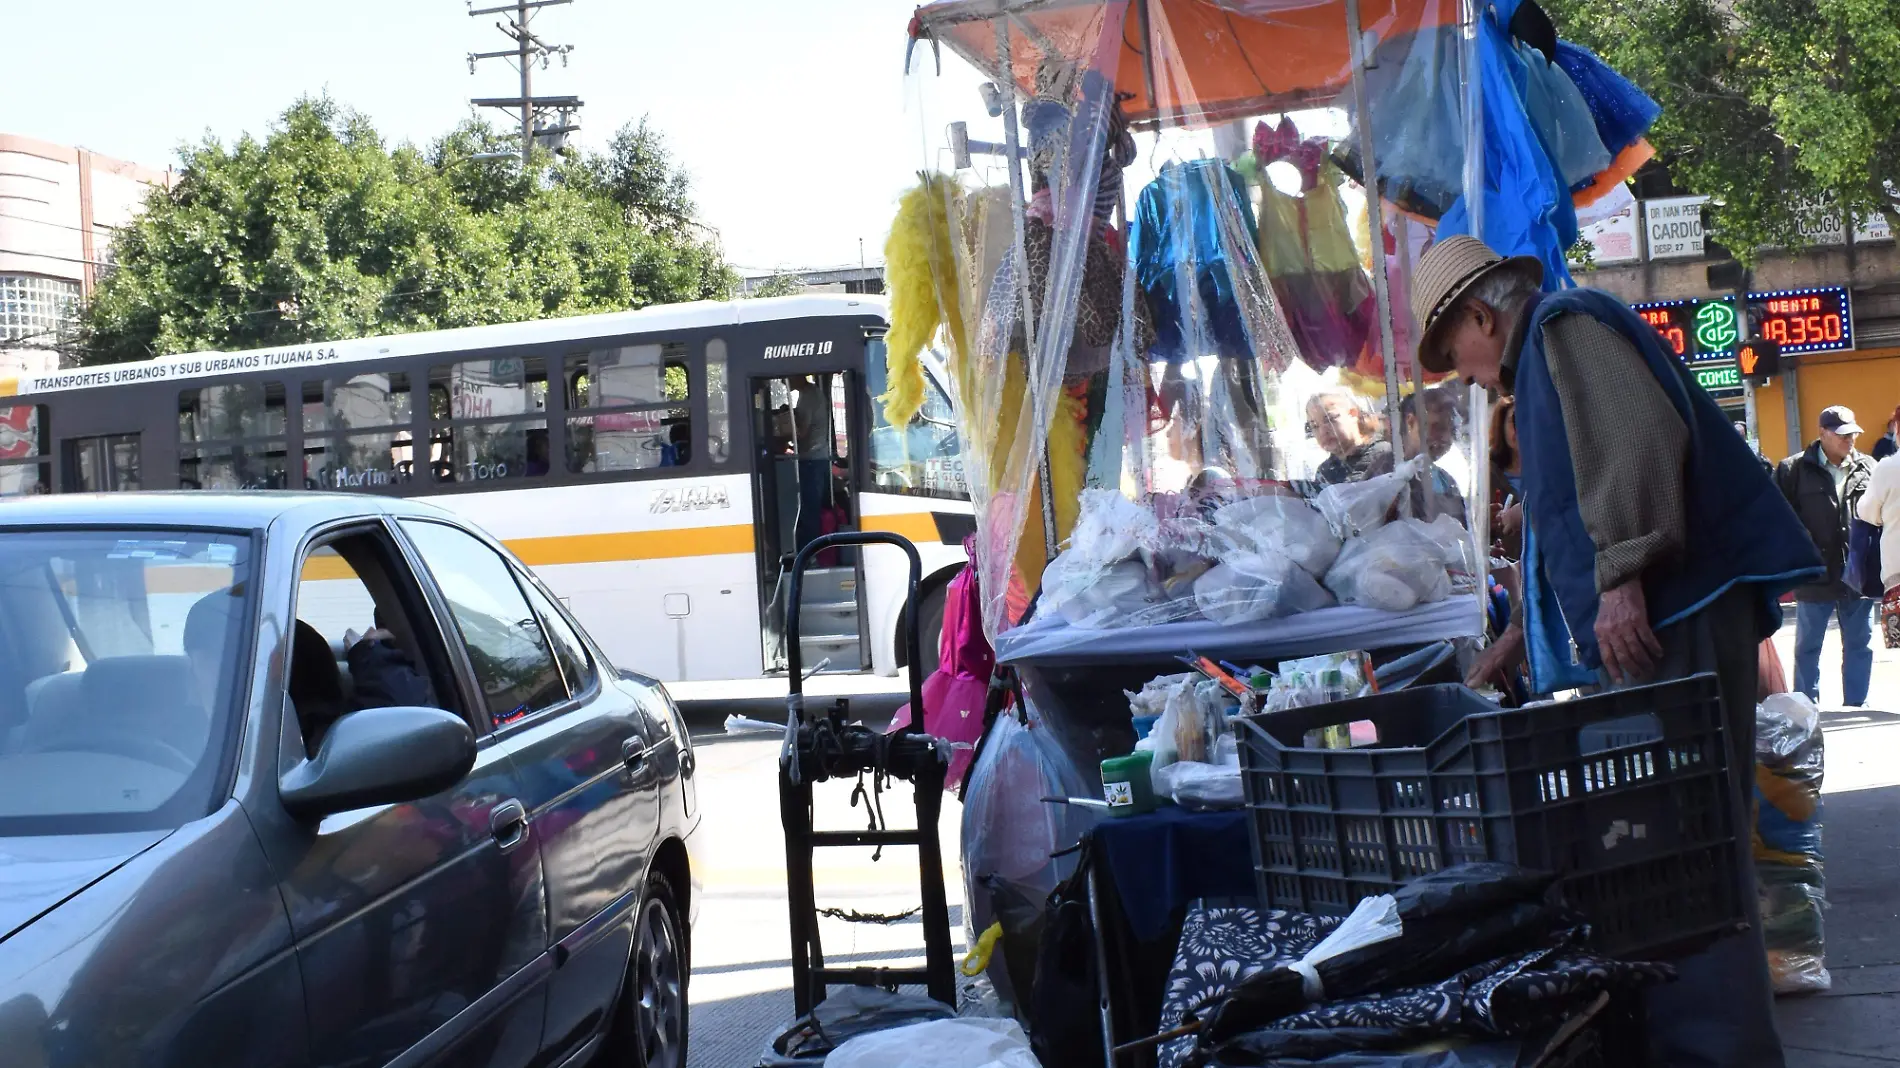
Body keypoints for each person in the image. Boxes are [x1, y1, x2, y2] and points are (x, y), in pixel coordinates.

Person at [1416, 234, 1821, 1068]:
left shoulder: (1566, 323)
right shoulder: (1542, 353)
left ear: (1481, 316)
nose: (1461, 374)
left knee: (1687, 841)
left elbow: (1638, 443)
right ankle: (1705, 1041)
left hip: (1683, 611)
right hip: (1675, 613)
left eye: (1453, 349)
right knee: (1677, 837)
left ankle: (1722, 1049)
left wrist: (1626, 573)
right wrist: (1521, 632)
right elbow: (1584, 491)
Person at [1774, 406, 1877, 708]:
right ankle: (1806, 706)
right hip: (1814, 571)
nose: (1850, 440)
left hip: (1858, 572)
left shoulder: (1868, 467)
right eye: (1842, 435)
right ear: (1822, 433)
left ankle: (1856, 704)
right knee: (1808, 646)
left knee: (1860, 644)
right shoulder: (1793, 470)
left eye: (1853, 434)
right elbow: (1779, 517)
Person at [1306, 389, 1393, 485]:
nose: (1322, 432)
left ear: (1352, 414)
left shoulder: (1381, 454)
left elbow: (1352, 494)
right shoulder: (1325, 470)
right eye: (1314, 426)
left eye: (1330, 419)